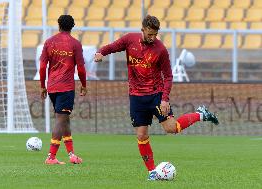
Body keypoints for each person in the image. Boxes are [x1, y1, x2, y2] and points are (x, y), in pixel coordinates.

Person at [94, 15, 219, 180]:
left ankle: (201, 114)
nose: (152, 38)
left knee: (171, 129)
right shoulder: (129, 40)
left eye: (155, 34)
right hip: (136, 97)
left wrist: (165, 98)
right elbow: (112, 47)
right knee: (141, 135)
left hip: (156, 95)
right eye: (149, 34)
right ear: (143, 30)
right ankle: (152, 171)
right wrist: (100, 52)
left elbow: (168, 76)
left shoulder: (160, 50)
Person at [39, 15, 87, 165]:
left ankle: (71, 154)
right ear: (72, 26)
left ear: (58, 25)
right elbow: (81, 68)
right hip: (66, 87)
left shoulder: (49, 42)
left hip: (52, 86)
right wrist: (84, 85)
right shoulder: (75, 44)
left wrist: (42, 86)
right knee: (61, 120)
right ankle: (51, 157)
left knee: (64, 119)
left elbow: (42, 67)